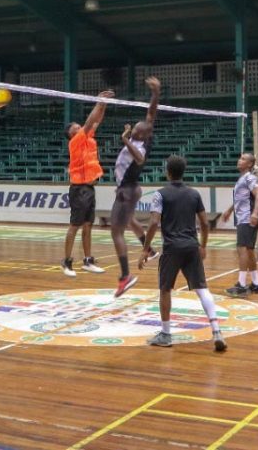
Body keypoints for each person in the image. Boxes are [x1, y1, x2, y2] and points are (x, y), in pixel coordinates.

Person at [139, 155, 227, 352]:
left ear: (168, 172)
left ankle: (165, 334)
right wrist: (203, 245)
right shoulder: (194, 194)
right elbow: (204, 223)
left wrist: (145, 248)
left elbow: (153, 223)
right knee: (202, 288)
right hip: (192, 246)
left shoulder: (160, 194)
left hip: (172, 248)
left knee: (165, 290)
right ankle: (217, 331)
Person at [107, 77, 162, 297]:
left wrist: (125, 139)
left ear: (140, 135)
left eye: (136, 131)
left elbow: (138, 159)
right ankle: (148, 249)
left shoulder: (139, 146)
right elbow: (151, 114)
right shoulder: (144, 134)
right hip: (128, 188)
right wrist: (155, 94)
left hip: (127, 190)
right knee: (129, 220)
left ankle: (125, 276)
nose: (135, 130)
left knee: (116, 231)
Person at [62, 90, 115, 278]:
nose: (78, 126)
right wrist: (98, 100)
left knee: (87, 226)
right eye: (74, 126)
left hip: (90, 188)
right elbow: (89, 121)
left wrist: (104, 104)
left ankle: (87, 261)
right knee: (74, 226)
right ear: (71, 134)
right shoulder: (76, 141)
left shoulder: (88, 139)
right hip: (78, 188)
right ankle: (67, 262)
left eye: (78, 125)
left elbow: (96, 120)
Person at [221, 152, 258, 297]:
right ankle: (256, 284)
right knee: (249, 250)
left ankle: (241, 284)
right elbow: (240, 199)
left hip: (248, 217)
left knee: (242, 249)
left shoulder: (250, 178)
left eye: (244, 159)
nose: (240, 160)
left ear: (250, 164)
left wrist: (254, 213)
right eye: (240, 158)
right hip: (245, 216)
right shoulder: (242, 179)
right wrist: (229, 210)